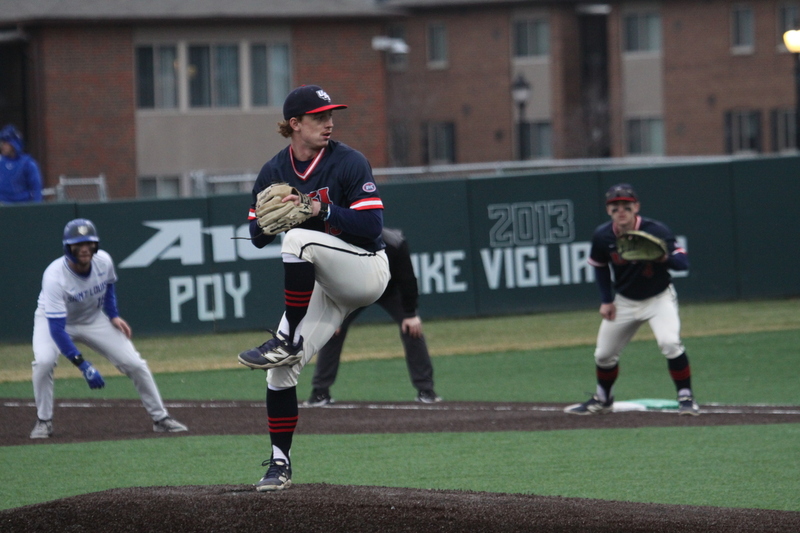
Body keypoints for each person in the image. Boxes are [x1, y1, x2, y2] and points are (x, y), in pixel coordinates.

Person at [237, 84, 390, 491]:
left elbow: (374, 227)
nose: (329, 122)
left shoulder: (349, 162)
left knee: (297, 240)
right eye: (319, 117)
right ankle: (279, 464)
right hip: (326, 285)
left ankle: (285, 335)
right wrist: (267, 220)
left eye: (330, 115)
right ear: (295, 124)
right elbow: (255, 235)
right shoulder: (274, 170)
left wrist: (320, 208)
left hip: (365, 270)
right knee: (280, 375)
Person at [30, 218, 188, 439]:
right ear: (69, 247)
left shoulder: (103, 261)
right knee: (44, 362)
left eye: (89, 244)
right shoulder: (54, 276)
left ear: (95, 246)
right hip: (53, 321)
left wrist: (113, 315)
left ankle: (160, 418)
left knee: (135, 363)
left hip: (93, 318)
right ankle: (44, 421)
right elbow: (57, 330)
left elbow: (109, 286)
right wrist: (82, 364)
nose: (85, 249)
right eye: (78, 244)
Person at [565, 183, 698, 416]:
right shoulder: (603, 235)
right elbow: (600, 267)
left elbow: (682, 263)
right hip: (624, 301)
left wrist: (663, 257)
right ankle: (603, 400)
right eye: (615, 207)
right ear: (609, 211)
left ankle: (685, 397)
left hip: (658, 299)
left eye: (626, 206)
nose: (621, 211)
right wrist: (606, 300)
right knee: (604, 355)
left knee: (669, 343)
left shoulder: (656, 230)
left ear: (636, 207)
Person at [306, 227, 441, 406]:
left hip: (389, 290)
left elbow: (407, 278)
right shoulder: (341, 242)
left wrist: (410, 314)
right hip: (354, 291)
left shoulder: (394, 242)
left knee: (412, 329)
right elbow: (329, 278)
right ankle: (320, 392)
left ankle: (426, 390)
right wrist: (331, 313)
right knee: (332, 331)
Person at [0, 124, 43, 204]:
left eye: (5, 143)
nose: (2, 146)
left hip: (21, 208)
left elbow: (36, 188)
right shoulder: (1, 161)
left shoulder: (28, 164)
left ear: (13, 144)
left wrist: (36, 209)